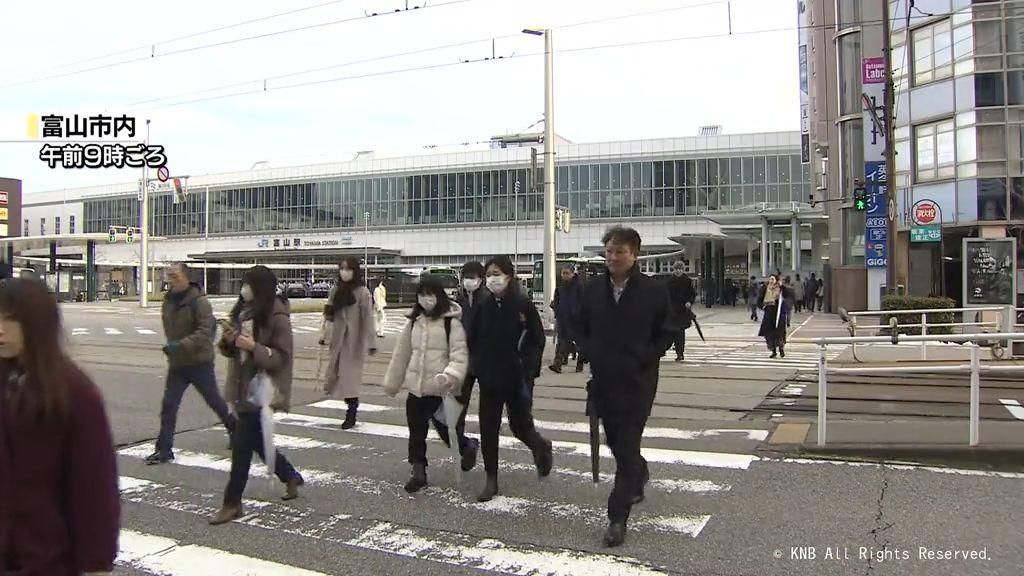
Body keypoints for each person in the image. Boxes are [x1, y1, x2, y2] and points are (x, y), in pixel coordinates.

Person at [0, 278, 120, 574]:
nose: (1, 329)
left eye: (11, 320)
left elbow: (94, 487)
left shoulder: (75, 393)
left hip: (45, 558)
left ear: (37, 325)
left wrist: (96, 563)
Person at [573, 227, 678, 548]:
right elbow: (579, 326)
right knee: (616, 442)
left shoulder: (653, 291)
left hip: (638, 381)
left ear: (635, 254)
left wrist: (644, 356)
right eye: (608, 251)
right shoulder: (592, 289)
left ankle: (616, 519)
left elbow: (668, 332)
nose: (613, 257)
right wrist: (591, 350)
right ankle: (638, 469)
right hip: (604, 379)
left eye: (619, 252)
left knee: (628, 440)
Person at [211, 266, 305, 525]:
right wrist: (229, 341)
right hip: (243, 386)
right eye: (244, 284)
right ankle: (290, 476)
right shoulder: (242, 312)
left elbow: (282, 358)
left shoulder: (277, 316)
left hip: (263, 390)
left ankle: (232, 502)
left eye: (249, 285)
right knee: (258, 443)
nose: (244, 289)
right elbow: (232, 352)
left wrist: (254, 347)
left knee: (241, 446)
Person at [468, 255, 553, 502]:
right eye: (489, 274)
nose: (492, 278)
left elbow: (537, 339)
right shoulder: (483, 306)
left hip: (518, 378)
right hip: (490, 378)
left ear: (508, 275)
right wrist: (477, 367)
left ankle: (540, 446)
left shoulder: (521, 304)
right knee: (488, 428)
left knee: (520, 425)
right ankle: (491, 478)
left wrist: (529, 370)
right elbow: (472, 339)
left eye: (497, 273)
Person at [383, 276, 470, 492]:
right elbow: (401, 354)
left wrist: (450, 376)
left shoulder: (452, 323)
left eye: (430, 294)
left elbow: (459, 356)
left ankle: (468, 447)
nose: (425, 299)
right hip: (416, 389)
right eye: (421, 294)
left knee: (448, 433)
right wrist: (392, 383)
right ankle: (418, 470)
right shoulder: (414, 322)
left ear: (439, 295)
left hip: (440, 390)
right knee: (416, 431)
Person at [146, 261, 236, 465]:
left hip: (199, 362)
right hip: (178, 364)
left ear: (187, 278)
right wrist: (173, 347)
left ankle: (234, 429)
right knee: (169, 405)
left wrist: (180, 345)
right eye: (169, 276)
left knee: (214, 401)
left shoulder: (200, 302)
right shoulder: (168, 300)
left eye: (175, 276)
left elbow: (205, 332)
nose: (172, 280)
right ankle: (164, 449)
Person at [429, 260, 486, 471]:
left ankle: (489, 467)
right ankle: (466, 446)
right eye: (466, 276)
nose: (469, 281)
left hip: (485, 363)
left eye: (473, 277)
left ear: (481, 279)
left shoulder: (489, 301)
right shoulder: (458, 302)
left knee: (490, 415)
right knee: (450, 414)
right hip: (462, 365)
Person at [322, 257, 377, 429]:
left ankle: (352, 410)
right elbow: (328, 315)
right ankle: (349, 404)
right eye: (342, 269)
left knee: (350, 378)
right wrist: (324, 334)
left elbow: (368, 318)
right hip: (337, 339)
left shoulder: (363, 292)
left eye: (348, 269)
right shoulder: (335, 290)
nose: (344, 272)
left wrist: (371, 341)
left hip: (354, 341)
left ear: (355, 271)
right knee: (335, 374)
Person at [549, 265, 585, 373]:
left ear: (573, 274)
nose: (565, 275)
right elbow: (556, 301)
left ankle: (580, 363)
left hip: (576, 320)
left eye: (567, 273)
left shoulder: (579, 286)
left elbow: (584, 302)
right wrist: (557, 312)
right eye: (563, 273)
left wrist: (580, 314)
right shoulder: (560, 288)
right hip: (563, 319)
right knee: (561, 342)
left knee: (580, 343)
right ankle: (557, 364)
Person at [666, 261, 695, 362]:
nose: (678, 271)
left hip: (682, 310)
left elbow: (692, 294)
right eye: (676, 269)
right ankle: (671, 346)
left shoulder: (687, 281)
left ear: (683, 270)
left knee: (680, 333)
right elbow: (665, 294)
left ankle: (680, 353)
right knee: (670, 331)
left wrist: (689, 302)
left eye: (680, 269)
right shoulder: (669, 281)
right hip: (671, 311)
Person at [758, 274, 790, 358]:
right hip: (769, 312)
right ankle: (773, 351)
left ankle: (781, 348)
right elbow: (760, 299)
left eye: (773, 279)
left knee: (779, 332)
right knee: (769, 332)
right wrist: (763, 306)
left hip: (778, 313)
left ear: (776, 280)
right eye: (770, 279)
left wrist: (782, 286)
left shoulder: (780, 288)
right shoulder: (765, 288)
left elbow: (787, 295)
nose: (771, 281)